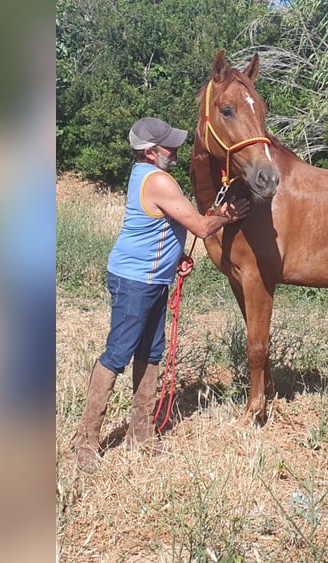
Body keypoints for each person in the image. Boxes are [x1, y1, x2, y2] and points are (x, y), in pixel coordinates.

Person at [72, 117, 249, 472]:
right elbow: (200, 225)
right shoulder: (158, 181)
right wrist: (227, 215)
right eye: (169, 146)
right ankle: (86, 440)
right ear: (151, 152)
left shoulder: (148, 176)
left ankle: (141, 434)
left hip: (151, 279)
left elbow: (169, 226)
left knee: (151, 352)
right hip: (134, 281)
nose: (176, 150)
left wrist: (175, 259)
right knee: (117, 354)